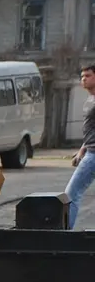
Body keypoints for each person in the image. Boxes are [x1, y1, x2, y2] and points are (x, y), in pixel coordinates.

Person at [65, 64, 95, 229]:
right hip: (89, 152)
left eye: (88, 75)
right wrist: (81, 151)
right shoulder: (90, 99)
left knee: (71, 194)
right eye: (82, 76)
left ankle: (64, 235)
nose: (84, 79)